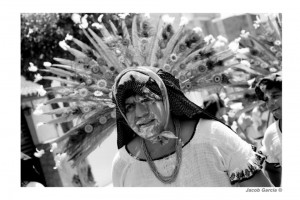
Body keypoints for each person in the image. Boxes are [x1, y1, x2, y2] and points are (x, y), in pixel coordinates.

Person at [111, 67, 272, 186]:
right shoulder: (123, 164)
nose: (140, 113)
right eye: (129, 107)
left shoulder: (213, 137)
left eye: (146, 99)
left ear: (166, 101)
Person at [255, 72, 282, 187]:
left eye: (275, 96)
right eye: (266, 100)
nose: (270, 104)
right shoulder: (271, 134)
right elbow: (272, 169)